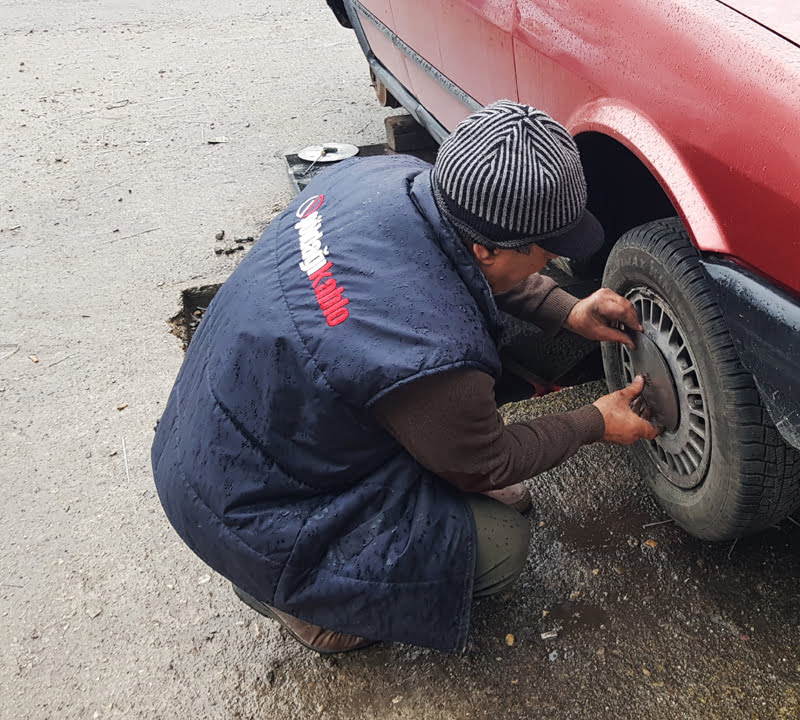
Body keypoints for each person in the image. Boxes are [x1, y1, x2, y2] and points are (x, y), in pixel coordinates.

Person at [151, 100, 660, 654]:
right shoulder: (430, 351)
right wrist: (593, 422)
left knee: (467, 452)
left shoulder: (389, 179)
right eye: (546, 251)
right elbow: (486, 463)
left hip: (213, 438)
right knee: (500, 545)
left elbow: (469, 265)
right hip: (248, 511)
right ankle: (305, 605)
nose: (549, 263)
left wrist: (566, 309)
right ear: (487, 246)